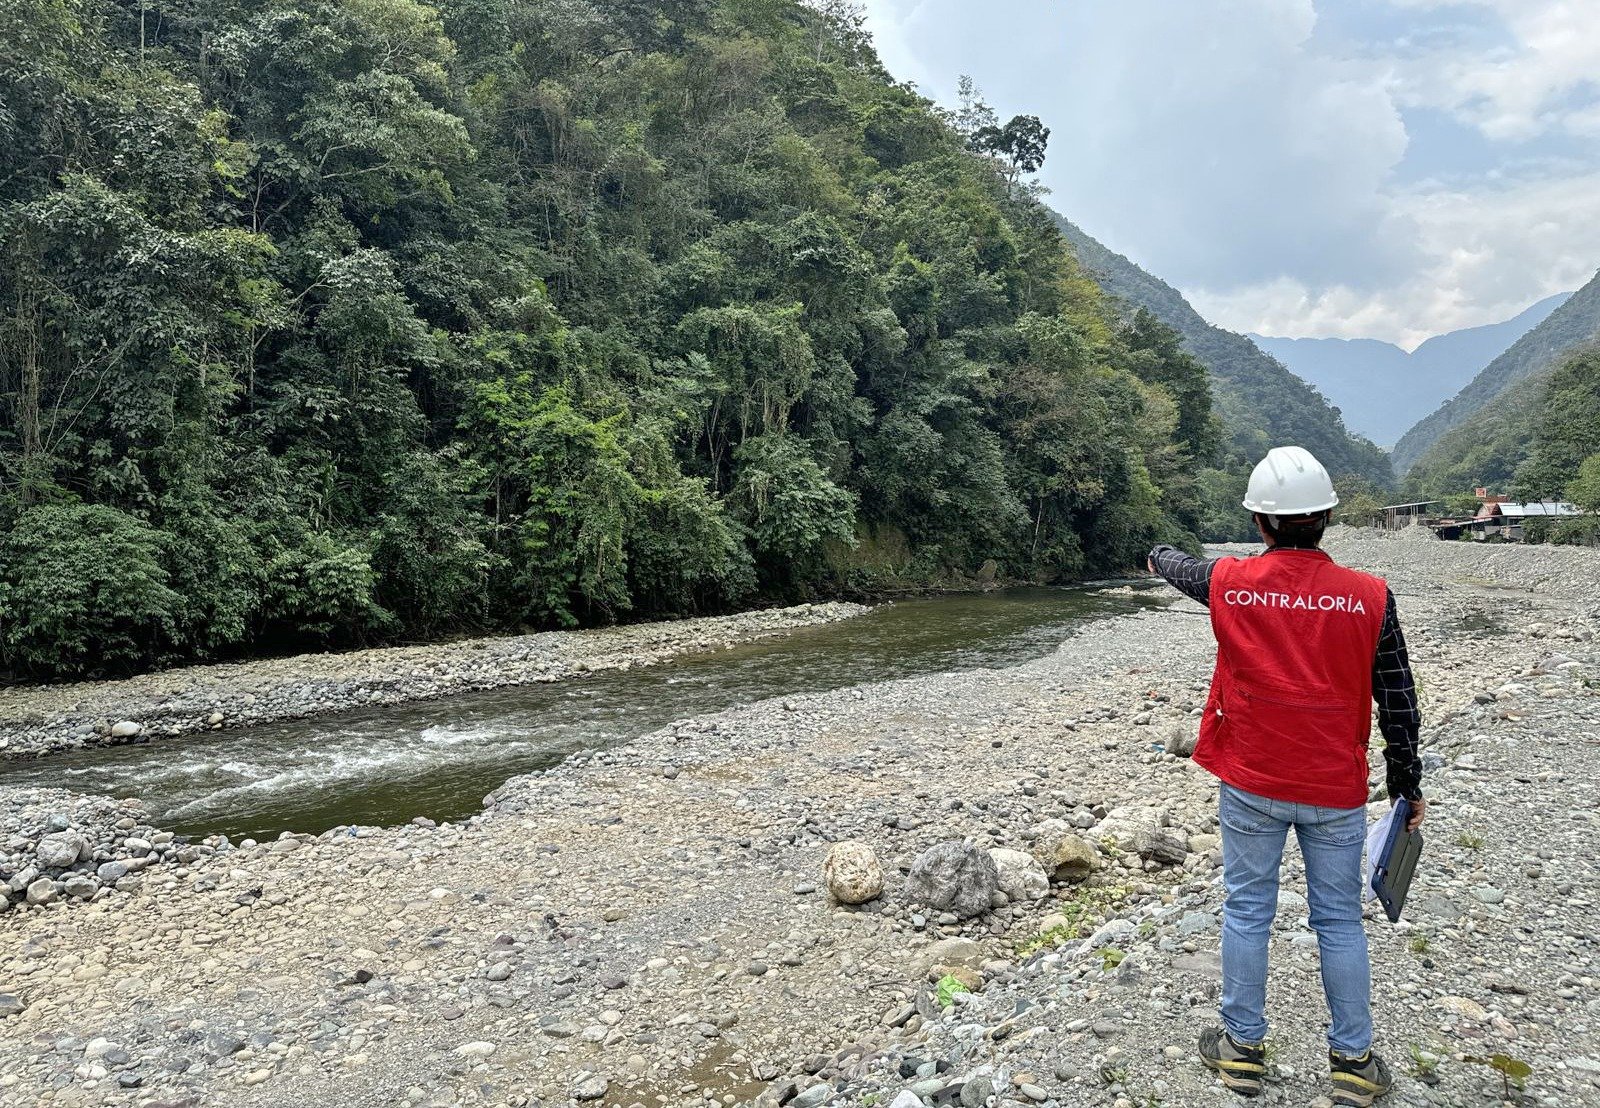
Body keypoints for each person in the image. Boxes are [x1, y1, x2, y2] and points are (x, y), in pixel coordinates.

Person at [1146, 445, 1426, 1107]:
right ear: (1326, 515)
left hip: (1251, 780)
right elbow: (1398, 697)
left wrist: (1155, 550)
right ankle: (1353, 1062)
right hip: (1335, 788)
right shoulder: (1371, 598)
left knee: (1247, 909)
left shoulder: (1230, 583)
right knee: (1338, 921)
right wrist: (1406, 786)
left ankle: (1242, 1050)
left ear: (1260, 522)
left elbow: (1182, 569)